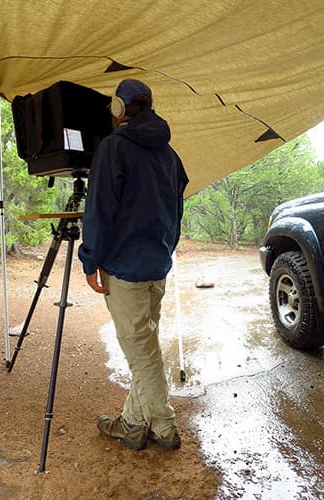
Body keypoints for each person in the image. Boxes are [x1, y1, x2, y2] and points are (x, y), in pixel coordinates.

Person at [78, 79, 188, 451]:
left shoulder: (113, 148)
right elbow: (177, 211)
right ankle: (132, 424)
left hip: (125, 272)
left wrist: (89, 259)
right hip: (156, 267)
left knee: (143, 356)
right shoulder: (170, 155)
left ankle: (165, 426)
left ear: (118, 109)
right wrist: (164, 251)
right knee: (145, 348)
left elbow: (99, 211)